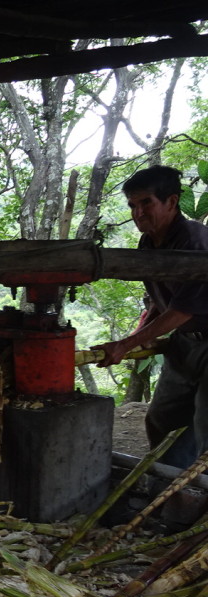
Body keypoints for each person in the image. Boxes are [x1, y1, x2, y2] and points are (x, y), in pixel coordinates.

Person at [95, 165, 208, 471]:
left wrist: (126, 343)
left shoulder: (195, 243)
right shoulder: (149, 242)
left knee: (206, 427)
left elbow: (183, 309)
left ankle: (197, 505)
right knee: (162, 419)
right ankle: (172, 491)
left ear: (171, 202)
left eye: (146, 203)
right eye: (133, 205)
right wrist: (140, 335)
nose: (138, 213)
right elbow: (162, 299)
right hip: (185, 343)